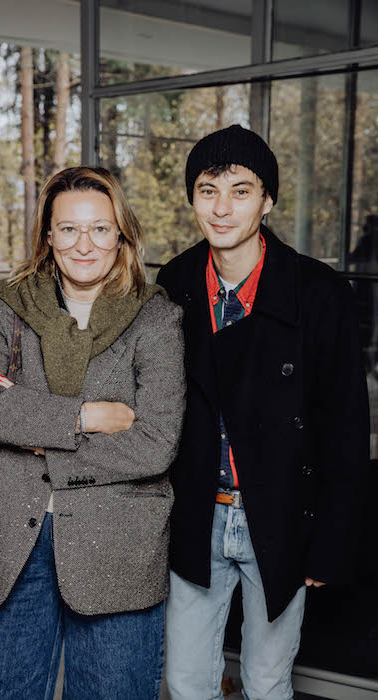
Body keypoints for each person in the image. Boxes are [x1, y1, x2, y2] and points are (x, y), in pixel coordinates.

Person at [0, 166, 186, 700]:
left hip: (120, 542)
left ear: (121, 235)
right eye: (69, 229)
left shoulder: (155, 317)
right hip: (17, 536)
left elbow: (155, 443)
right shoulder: (5, 307)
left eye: (100, 229)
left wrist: (33, 432)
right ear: (48, 235)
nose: (85, 244)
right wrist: (88, 417)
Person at [157, 125, 370, 700]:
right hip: (197, 512)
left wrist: (330, 541)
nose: (222, 208)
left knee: (268, 681)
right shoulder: (174, 283)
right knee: (185, 680)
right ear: (192, 198)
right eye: (208, 190)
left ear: (268, 199)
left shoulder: (318, 290)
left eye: (241, 191)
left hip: (280, 515)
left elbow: (345, 426)